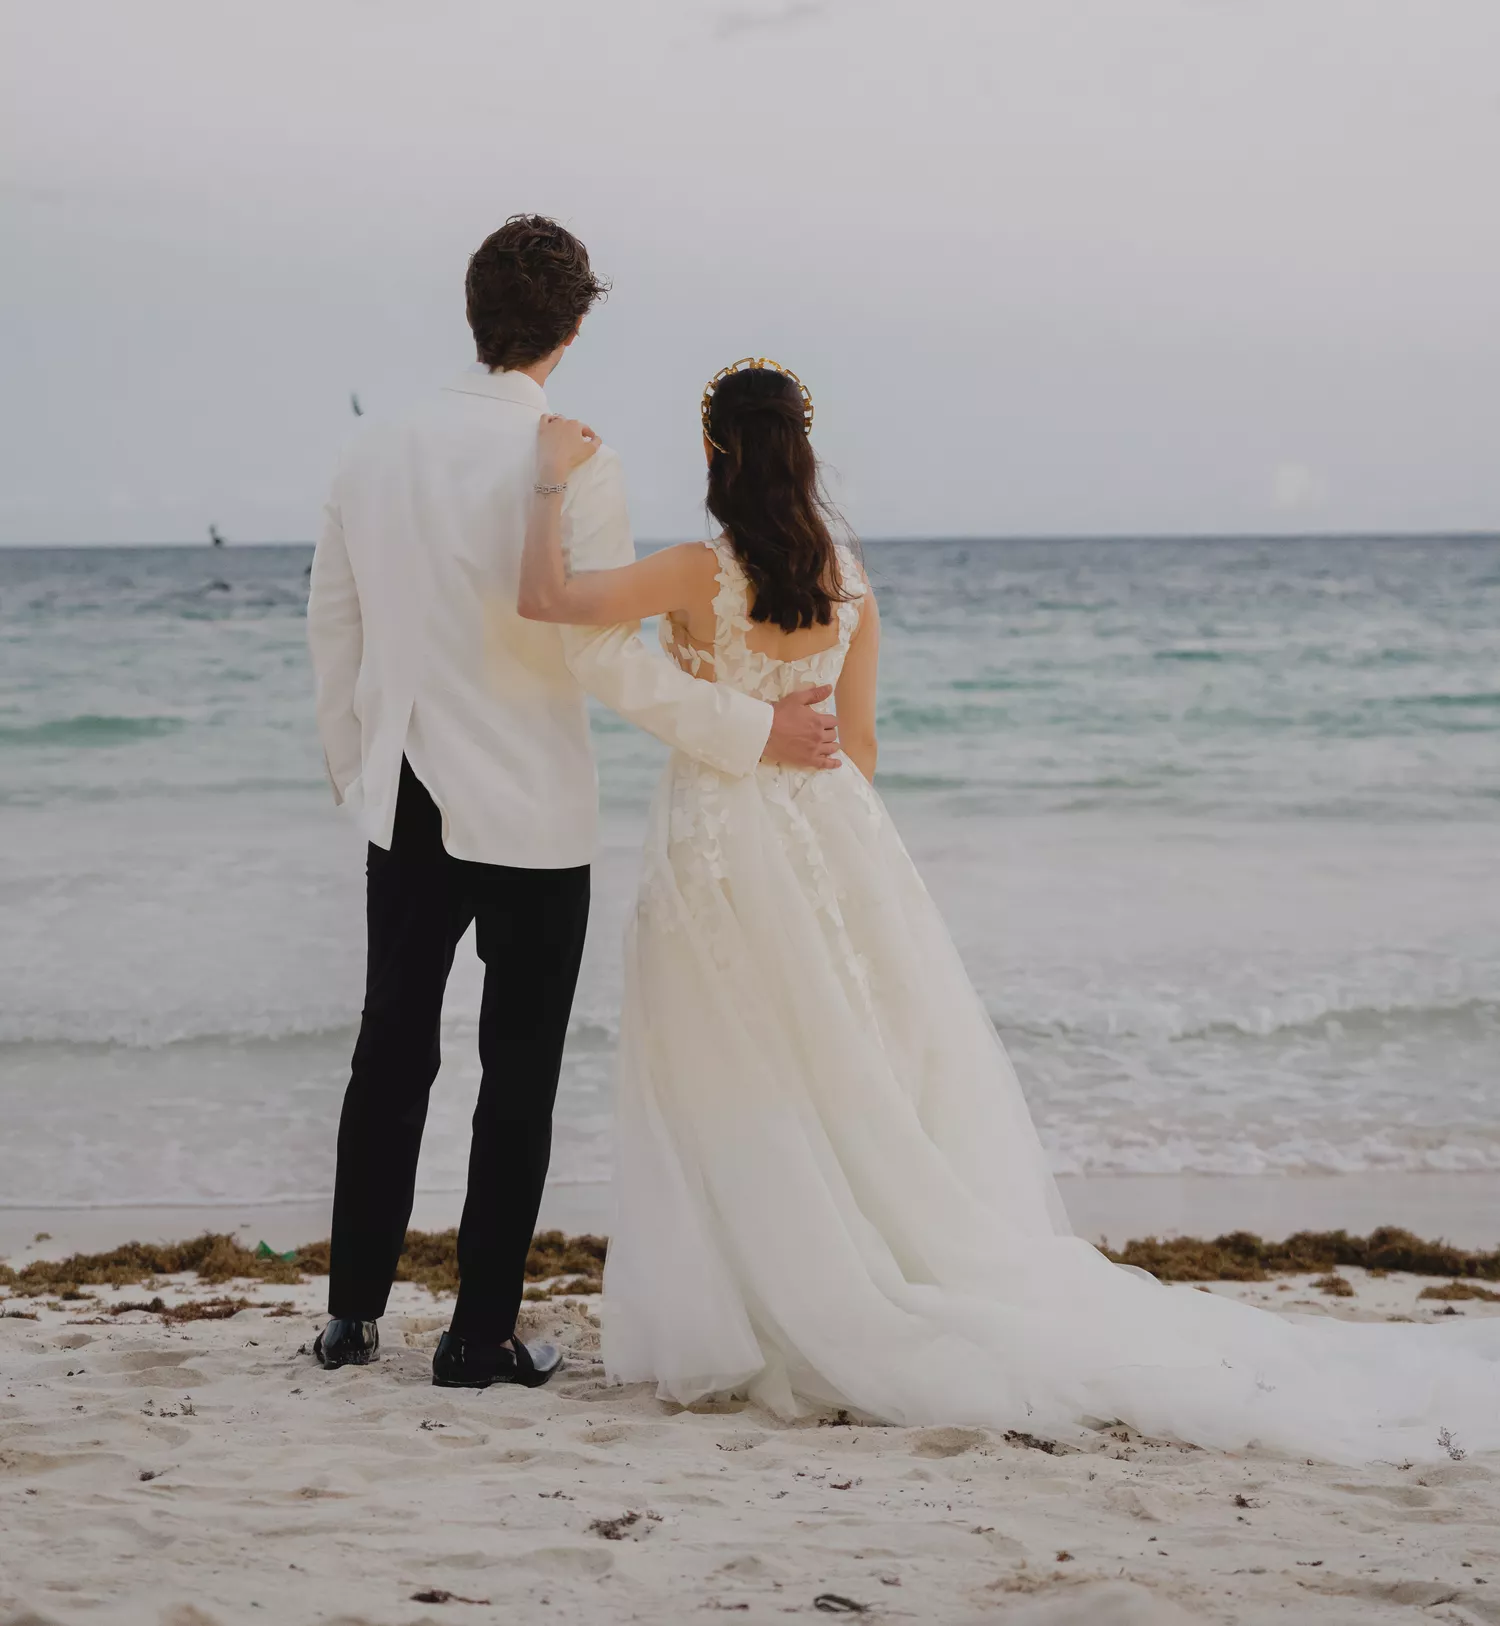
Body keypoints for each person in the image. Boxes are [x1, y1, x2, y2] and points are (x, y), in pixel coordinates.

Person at [517, 359, 1500, 1462]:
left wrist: (550, 484)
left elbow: (548, 601)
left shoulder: (702, 569)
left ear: (715, 455)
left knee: (729, 1071)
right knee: (849, 1066)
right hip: (839, 841)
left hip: (723, 846)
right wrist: (825, 843)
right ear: (803, 455)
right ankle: (840, 1265)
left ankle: (760, 1305)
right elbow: (866, 748)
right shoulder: (846, 578)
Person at [305, 223, 839, 1390]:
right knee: (518, 1072)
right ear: (574, 325)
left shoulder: (370, 449)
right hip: (533, 808)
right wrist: (754, 731)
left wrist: (359, 776)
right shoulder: (575, 458)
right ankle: (477, 1337)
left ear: (471, 310)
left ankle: (349, 1321)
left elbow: (332, 629)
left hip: (403, 800)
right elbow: (602, 658)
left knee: (387, 1057)